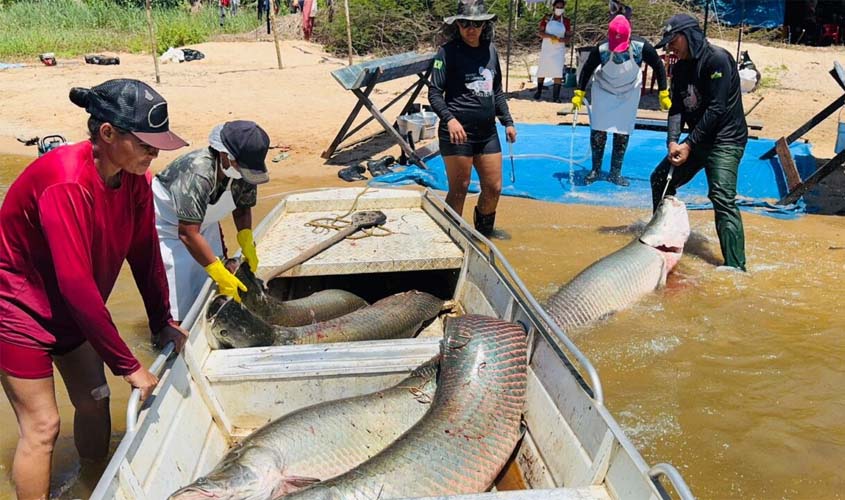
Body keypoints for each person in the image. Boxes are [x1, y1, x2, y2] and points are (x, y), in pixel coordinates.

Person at [0, 79, 190, 499]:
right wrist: (128, 364)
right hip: (16, 308)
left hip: (70, 310)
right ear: (107, 133)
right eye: (145, 143)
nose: (154, 153)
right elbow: (76, 284)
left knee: (96, 399)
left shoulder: (134, 180)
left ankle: (91, 485)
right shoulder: (66, 182)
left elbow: (146, 257)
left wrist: (163, 322)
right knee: (44, 426)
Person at [650, 14, 748, 271]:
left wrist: (689, 144)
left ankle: (736, 267)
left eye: (673, 42)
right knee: (660, 179)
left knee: (721, 197)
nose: (670, 48)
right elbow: (677, 109)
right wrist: (673, 142)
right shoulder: (681, 67)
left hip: (726, 139)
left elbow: (716, 109)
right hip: (697, 139)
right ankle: (663, 241)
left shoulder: (718, 60)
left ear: (689, 36)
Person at [153, 120, 270, 322]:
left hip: (202, 223)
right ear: (225, 156)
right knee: (177, 300)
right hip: (169, 227)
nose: (244, 175)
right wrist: (217, 271)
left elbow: (242, 207)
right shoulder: (198, 173)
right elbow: (187, 233)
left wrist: (246, 240)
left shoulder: (244, 169)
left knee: (211, 283)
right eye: (240, 168)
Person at [429, 0, 517, 237]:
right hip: (457, 133)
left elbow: (496, 90)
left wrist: (507, 121)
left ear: (484, 25)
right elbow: (434, 93)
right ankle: (450, 238)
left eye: (476, 24)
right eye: (465, 23)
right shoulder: (446, 53)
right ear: (457, 25)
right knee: (459, 189)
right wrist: (449, 119)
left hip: (487, 133)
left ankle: (483, 234)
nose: (471, 28)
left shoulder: (491, 50)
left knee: (494, 187)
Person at [571, 15, 671, 186]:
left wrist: (663, 92)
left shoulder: (641, 47)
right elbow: (587, 69)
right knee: (598, 129)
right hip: (604, 89)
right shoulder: (601, 49)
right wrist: (579, 92)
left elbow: (658, 66)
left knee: (622, 131)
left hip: (629, 91)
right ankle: (595, 169)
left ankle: (615, 172)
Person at [533, 0, 571, 102]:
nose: (559, 9)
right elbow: (541, 33)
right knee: (542, 70)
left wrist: (562, 39)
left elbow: (568, 37)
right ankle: (539, 92)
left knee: (557, 72)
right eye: (557, 7)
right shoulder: (546, 18)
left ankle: (556, 97)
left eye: (561, 7)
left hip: (558, 50)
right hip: (547, 48)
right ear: (553, 7)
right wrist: (550, 36)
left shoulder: (566, 21)